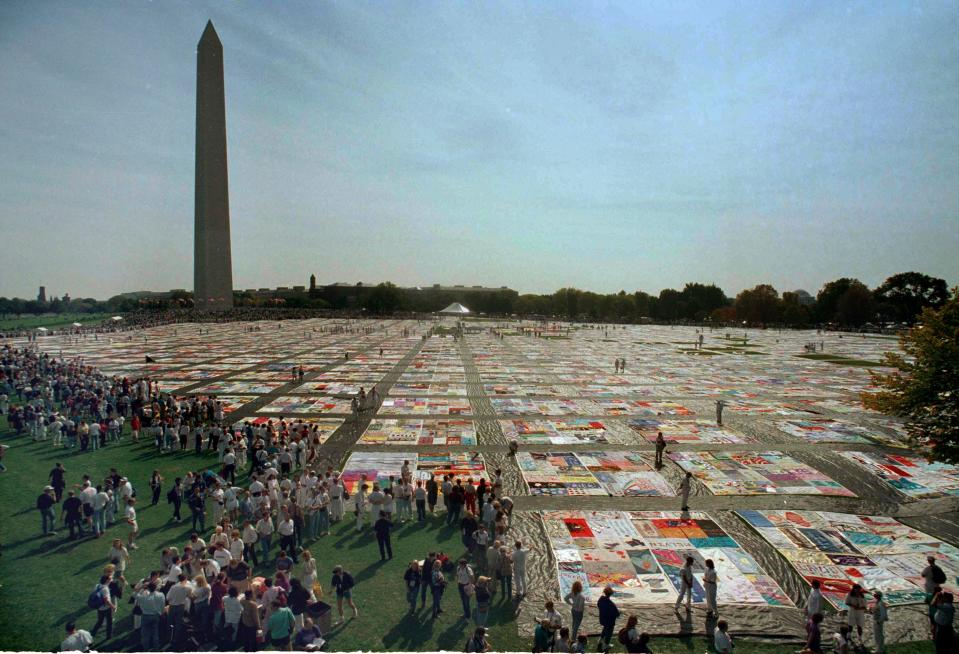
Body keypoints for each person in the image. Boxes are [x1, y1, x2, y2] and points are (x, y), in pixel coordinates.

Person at [136, 580, 166, 651]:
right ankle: (156, 649)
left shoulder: (143, 597)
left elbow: (135, 593)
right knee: (155, 633)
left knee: (145, 634)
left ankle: (145, 649)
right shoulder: (161, 595)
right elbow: (162, 606)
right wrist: (161, 613)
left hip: (146, 616)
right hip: (156, 616)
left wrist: (142, 587)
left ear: (148, 588)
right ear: (155, 587)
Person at [89, 574, 115, 641]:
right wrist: (113, 606)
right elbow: (106, 600)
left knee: (100, 621)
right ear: (106, 581)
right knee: (109, 622)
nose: (111, 580)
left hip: (99, 608)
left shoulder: (97, 586)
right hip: (106, 608)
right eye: (109, 579)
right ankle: (109, 636)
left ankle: (92, 633)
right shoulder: (105, 589)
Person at [597, 585, 620, 653]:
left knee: (605, 629)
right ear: (611, 594)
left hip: (602, 619)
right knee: (609, 633)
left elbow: (598, 605)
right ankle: (606, 645)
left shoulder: (600, 600)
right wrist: (619, 613)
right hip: (610, 621)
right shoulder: (611, 604)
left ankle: (600, 640)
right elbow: (617, 614)